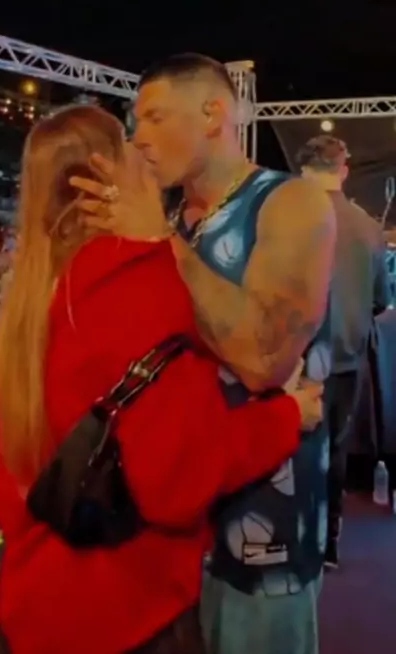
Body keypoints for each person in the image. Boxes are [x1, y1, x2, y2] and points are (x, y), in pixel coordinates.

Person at [0, 105, 323, 654]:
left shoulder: (29, 300)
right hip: (128, 613)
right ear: (108, 173)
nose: (144, 148)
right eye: (129, 140)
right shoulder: (139, 287)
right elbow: (181, 478)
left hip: (38, 606)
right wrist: (287, 416)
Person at [71, 54, 336, 654]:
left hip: (263, 528)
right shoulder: (172, 217)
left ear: (213, 113)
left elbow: (265, 360)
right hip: (173, 519)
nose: (138, 138)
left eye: (155, 117)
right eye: (135, 122)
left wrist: (159, 242)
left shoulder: (291, 202)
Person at [296, 134, 391, 569]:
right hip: (347, 359)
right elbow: (380, 300)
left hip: (294, 359)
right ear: (344, 170)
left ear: (302, 170)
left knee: (289, 450)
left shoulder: (286, 221)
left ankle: (292, 540)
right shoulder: (368, 227)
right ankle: (328, 543)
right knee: (334, 451)